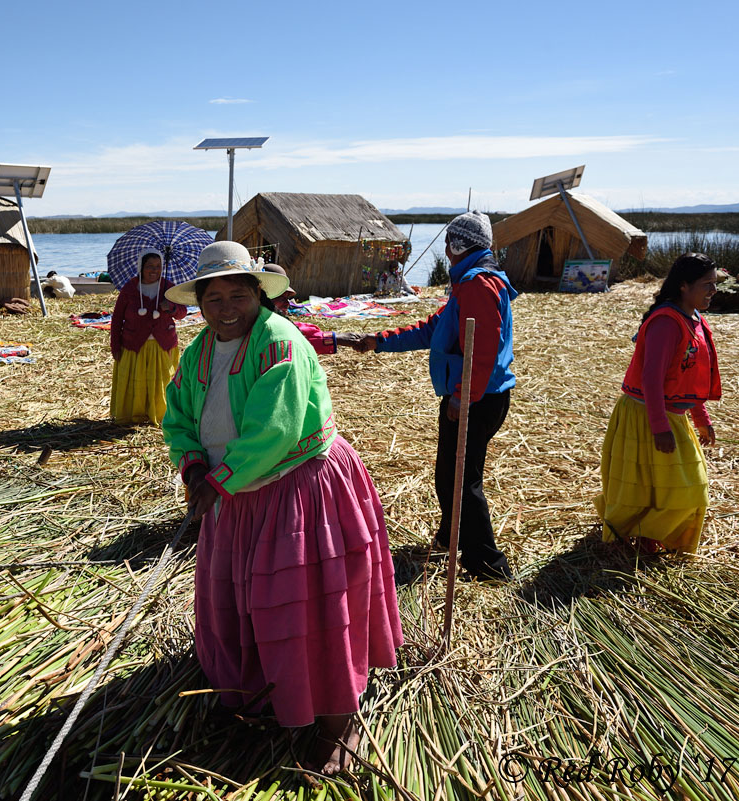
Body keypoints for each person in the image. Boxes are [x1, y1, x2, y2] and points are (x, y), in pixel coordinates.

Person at [162, 241, 403, 775]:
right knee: (244, 599)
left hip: (298, 488)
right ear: (200, 303)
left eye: (238, 295)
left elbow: (276, 429)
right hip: (236, 496)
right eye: (215, 297)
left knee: (307, 604)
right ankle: (263, 690)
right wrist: (194, 467)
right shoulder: (199, 350)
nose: (226, 308)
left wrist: (217, 481)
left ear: (258, 296)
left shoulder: (280, 344)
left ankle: (340, 720)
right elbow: (177, 413)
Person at [343, 211, 517, 581]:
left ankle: (488, 565)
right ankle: (450, 536)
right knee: (451, 475)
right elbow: (435, 329)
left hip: (477, 397)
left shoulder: (478, 285)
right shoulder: (470, 283)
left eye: (450, 241)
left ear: (459, 245)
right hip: (477, 394)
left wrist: (461, 397)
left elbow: (481, 350)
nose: (445, 249)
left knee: (459, 481)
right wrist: (379, 342)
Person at [595, 253, 721, 553]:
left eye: (715, 284)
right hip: (645, 414)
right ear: (683, 286)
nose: (714, 291)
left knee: (666, 483)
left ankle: (649, 534)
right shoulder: (666, 323)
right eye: (707, 284)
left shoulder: (694, 319)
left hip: (672, 415)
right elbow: (652, 378)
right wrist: (659, 426)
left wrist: (702, 419)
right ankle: (633, 533)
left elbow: (691, 375)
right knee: (661, 486)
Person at [109, 249, 188, 424]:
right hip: (133, 345)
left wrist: (171, 308)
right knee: (136, 383)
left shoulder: (168, 287)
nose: (154, 270)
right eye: (150, 266)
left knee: (162, 382)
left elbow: (182, 313)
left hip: (163, 345)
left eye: (158, 266)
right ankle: (135, 415)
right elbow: (116, 320)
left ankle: (162, 414)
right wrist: (115, 346)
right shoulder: (130, 289)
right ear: (141, 268)